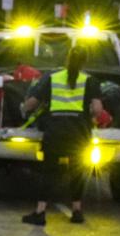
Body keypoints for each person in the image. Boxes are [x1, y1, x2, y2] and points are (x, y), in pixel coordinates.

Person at [18, 43, 105, 226]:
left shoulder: (52, 78)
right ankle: (77, 211)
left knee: (48, 172)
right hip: (79, 133)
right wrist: (90, 116)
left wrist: (23, 109)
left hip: (55, 131)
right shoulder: (90, 81)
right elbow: (97, 109)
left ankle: (40, 212)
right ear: (85, 61)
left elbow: (33, 102)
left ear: (67, 59)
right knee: (77, 171)